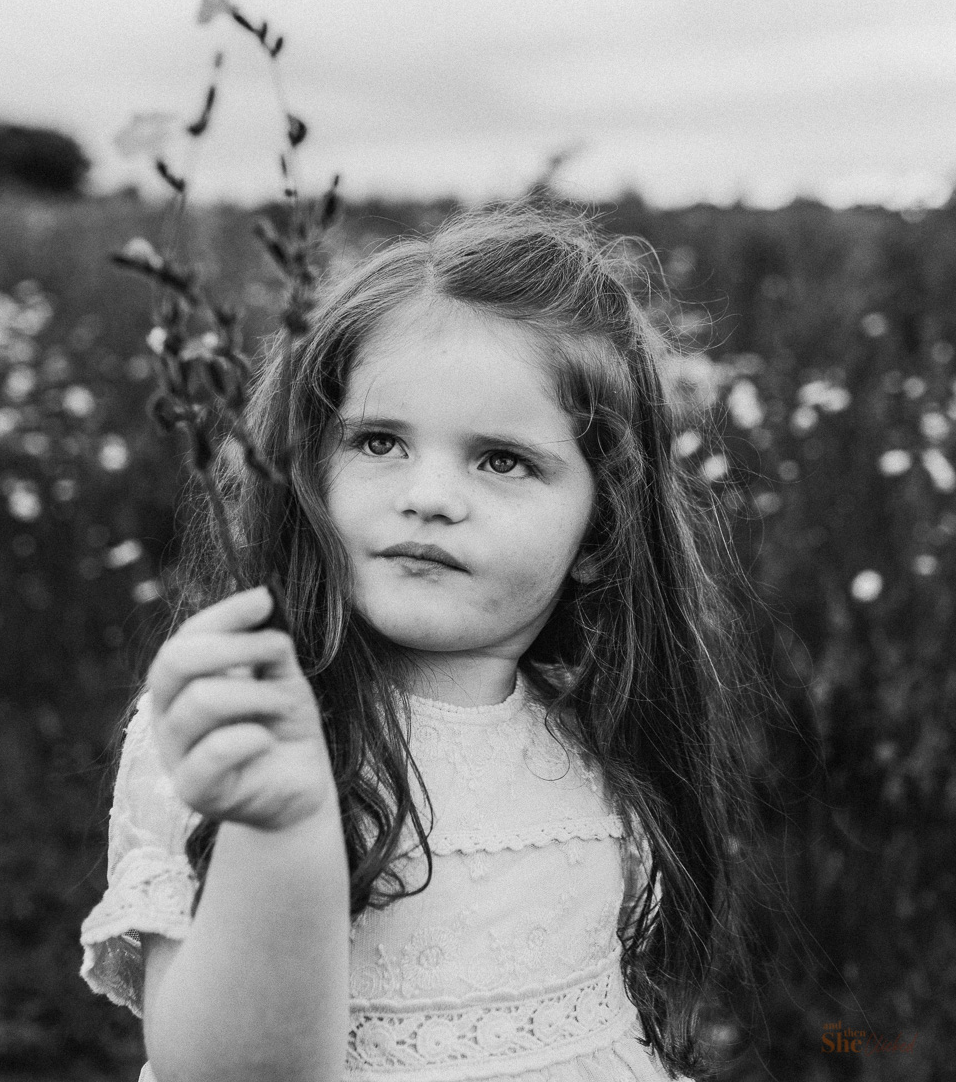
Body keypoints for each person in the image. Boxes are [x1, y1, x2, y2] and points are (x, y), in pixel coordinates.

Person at [81, 202, 771, 1082]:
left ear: (601, 533)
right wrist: (279, 818)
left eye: (502, 460)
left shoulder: (594, 735)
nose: (430, 495)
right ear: (307, 470)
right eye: (378, 441)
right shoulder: (239, 726)